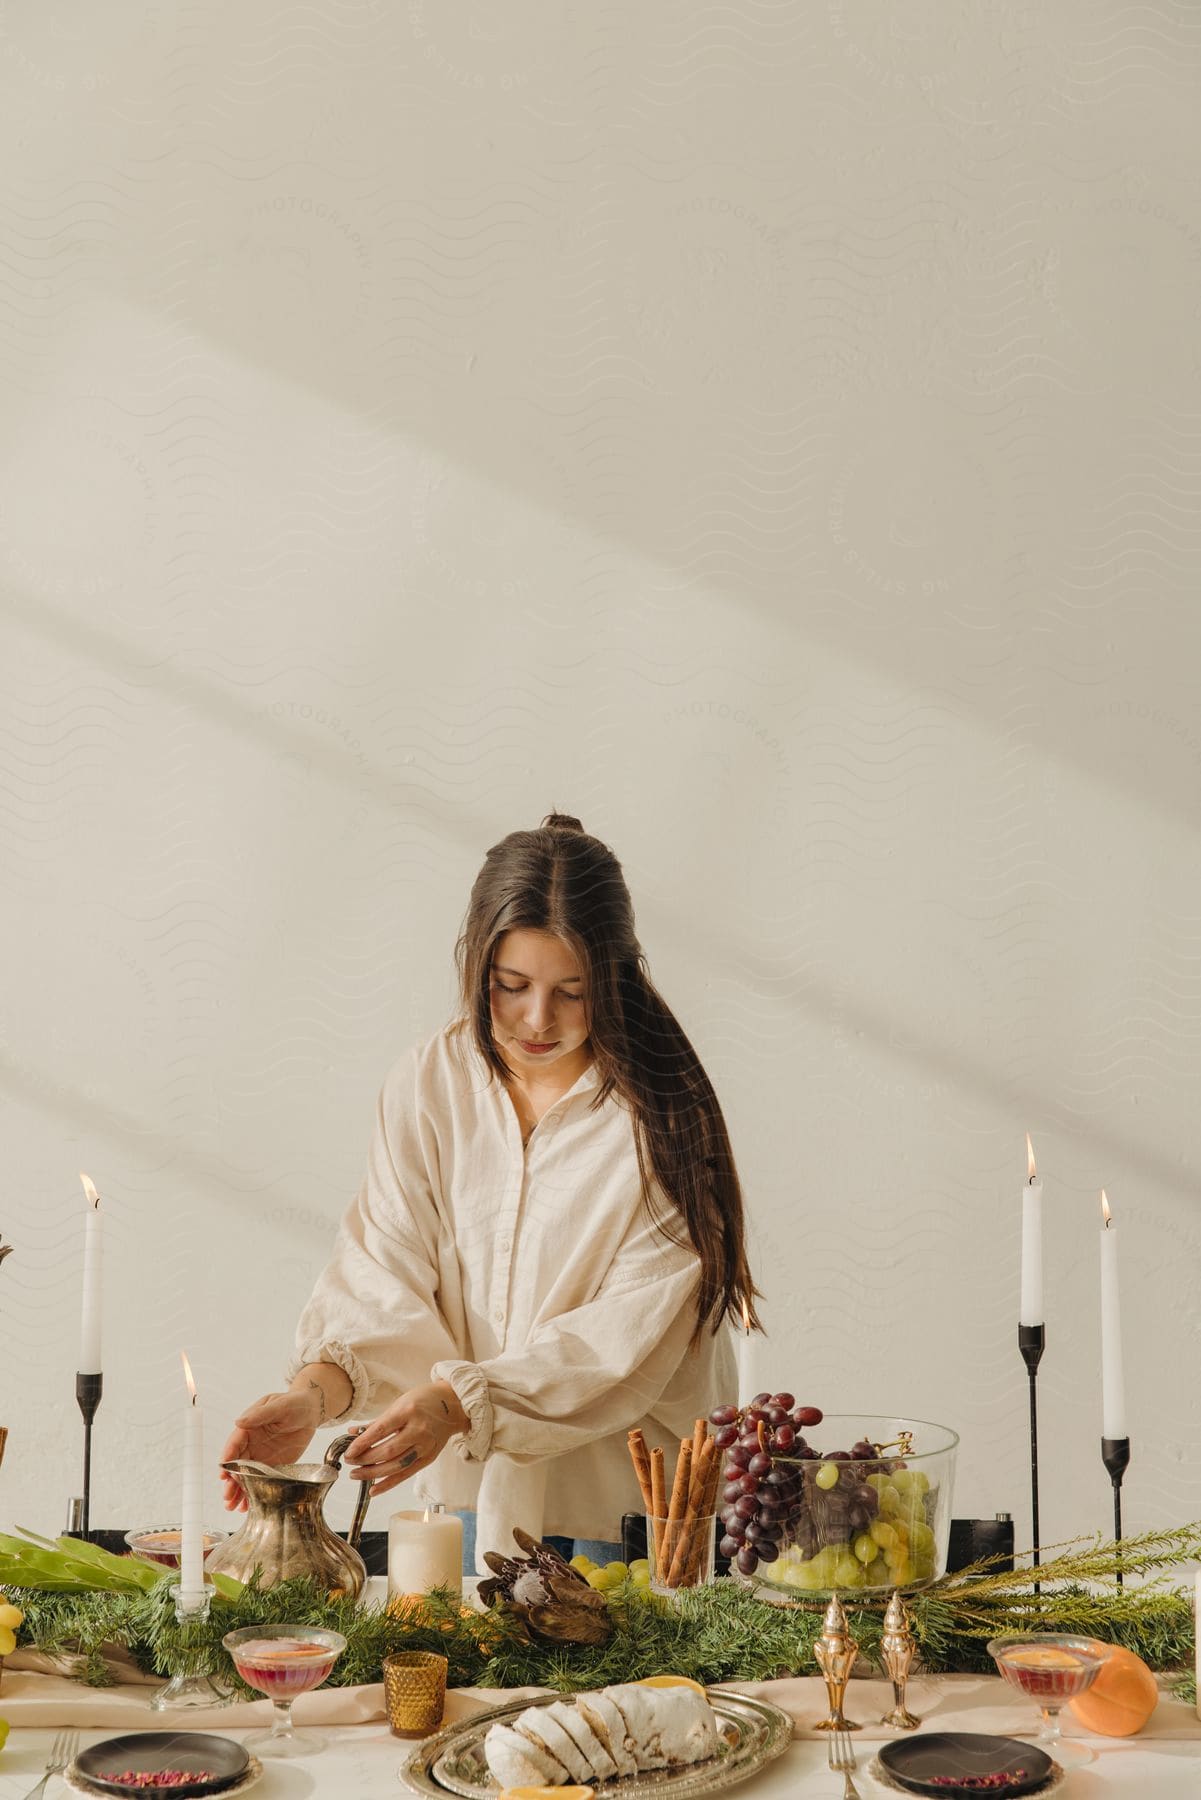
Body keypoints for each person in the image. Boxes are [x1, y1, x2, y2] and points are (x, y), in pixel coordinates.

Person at [220, 813, 758, 1570]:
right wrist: (315, 1395)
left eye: (572, 992)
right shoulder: (431, 1082)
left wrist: (457, 1404)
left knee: (636, 1688)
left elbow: (623, 1341)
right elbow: (386, 1263)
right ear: (476, 963)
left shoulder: (660, 1116)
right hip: (466, 1502)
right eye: (511, 986)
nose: (538, 1019)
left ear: (616, 976)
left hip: (628, 1514)